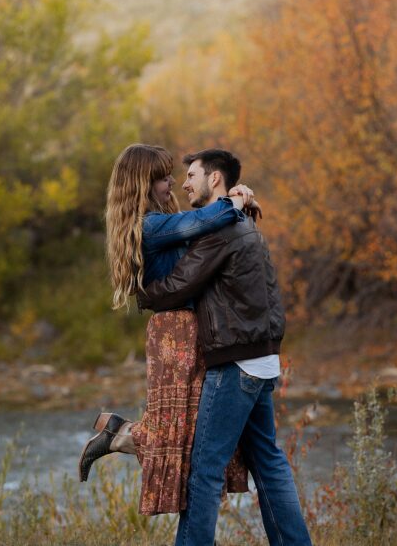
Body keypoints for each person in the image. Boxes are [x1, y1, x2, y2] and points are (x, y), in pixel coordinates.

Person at [137, 149, 312, 546]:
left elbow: (178, 286)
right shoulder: (242, 224)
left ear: (215, 180)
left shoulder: (220, 232)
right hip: (263, 359)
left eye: (192, 175)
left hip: (236, 363)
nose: (185, 183)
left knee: (204, 470)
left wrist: (142, 293)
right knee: (268, 462)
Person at [78, 144, 252, 514]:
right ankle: (122, 436)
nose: (170, 182)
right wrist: (234, 199)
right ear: (143, 183)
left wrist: (235, 199)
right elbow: (204, 221)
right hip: (176, 334)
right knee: (182, 434)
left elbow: (206, 226)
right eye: (161, 177)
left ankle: (120, 433)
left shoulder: (161, 221)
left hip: (189, 330)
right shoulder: (150, 225)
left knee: (189, 433)